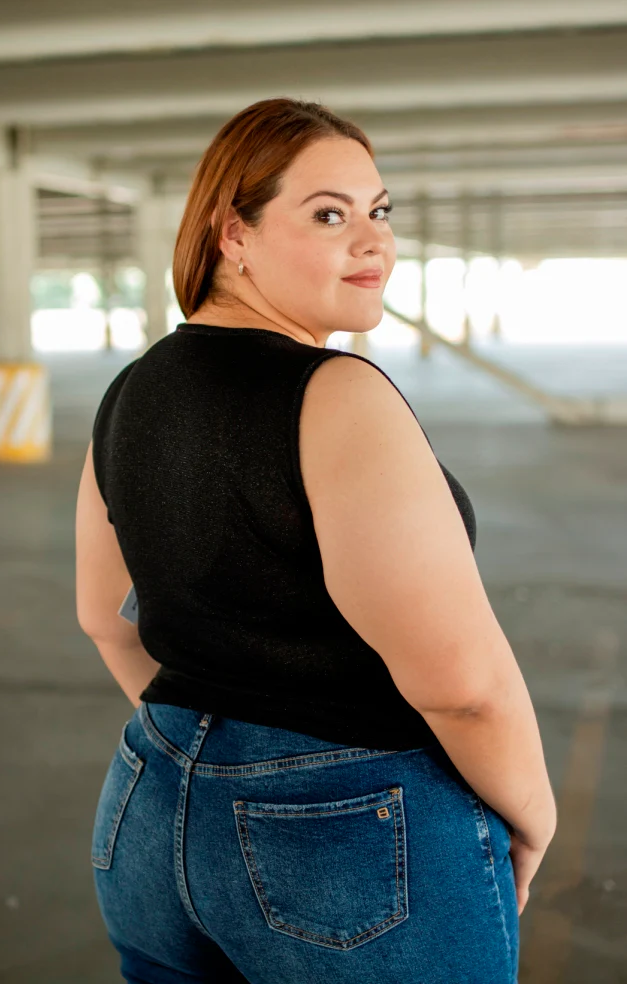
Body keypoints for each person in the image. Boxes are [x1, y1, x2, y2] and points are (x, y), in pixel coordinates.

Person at [75, 97, 556, 983]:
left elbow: (105, 618)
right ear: (235, 235)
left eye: (379, 211)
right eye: (329, 215)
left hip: (148, 807)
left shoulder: (133, 388)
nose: (374, 242)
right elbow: (461, 689)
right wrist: (530, 814)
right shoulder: (338, 393)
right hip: (345, 840)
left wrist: (214, 753)